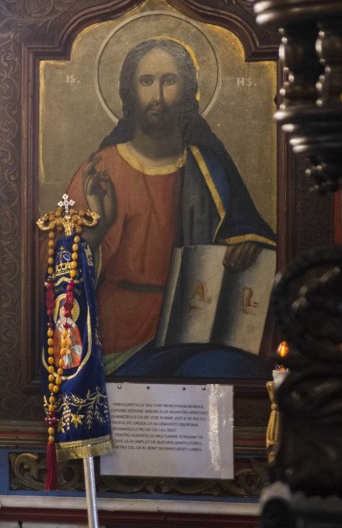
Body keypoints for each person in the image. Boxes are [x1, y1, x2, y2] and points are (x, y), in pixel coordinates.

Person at [63, 38, 276, 374]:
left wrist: (247, 247)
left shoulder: (209, 168)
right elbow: (59, 272)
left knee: (234, 368)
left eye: (169, 81)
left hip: (194, 325)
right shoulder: (100, 170)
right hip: (121, 335)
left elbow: (248, 232)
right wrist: (96, 232)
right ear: (129, 92)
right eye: (147, 81)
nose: (158, 97)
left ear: (188, 92)